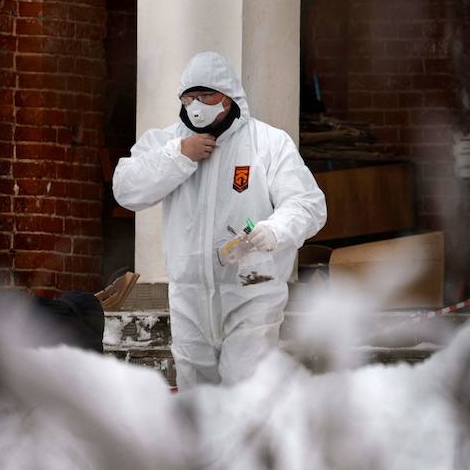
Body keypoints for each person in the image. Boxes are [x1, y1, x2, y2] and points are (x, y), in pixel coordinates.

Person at [113, 52, 327, 387]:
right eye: (189, 97)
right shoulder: (168, 143)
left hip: (251, 290)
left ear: (229, 97)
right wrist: (179, 156)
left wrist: (275, 230)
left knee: (244, 389)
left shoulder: (267, 143)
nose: (197, 105)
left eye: (207, 96)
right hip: (189, 295)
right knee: (197, 396)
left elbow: (308, 204)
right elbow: (126, 189)